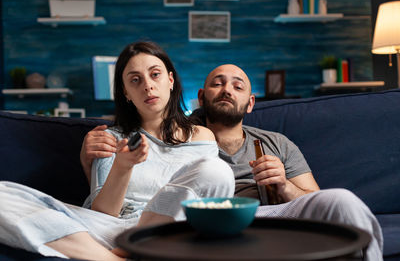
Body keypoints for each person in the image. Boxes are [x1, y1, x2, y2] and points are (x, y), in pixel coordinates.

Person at [81, 64, 384, 260]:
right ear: (201, 97)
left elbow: (314, 201)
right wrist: (89, 153)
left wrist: (285, 186)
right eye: (218, 84)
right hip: (203, 224)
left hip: (268, 216)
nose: (227, 89)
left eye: (238, 86)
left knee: (343, 201)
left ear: (251, 103)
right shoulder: (181, 136)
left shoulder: (277, 143)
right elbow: (143, 135)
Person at [0, 42, 235, 261]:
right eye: (135, 80)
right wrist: (123, 166)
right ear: (125, 92)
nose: (147, 85)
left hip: (172, 228)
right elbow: (103, 213)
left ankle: (133, 246)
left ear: (170, 80)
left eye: (155, 74)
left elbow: (211, 196)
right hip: (111, 231)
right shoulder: (111, 138)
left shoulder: (202, 136)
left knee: (217, 171)